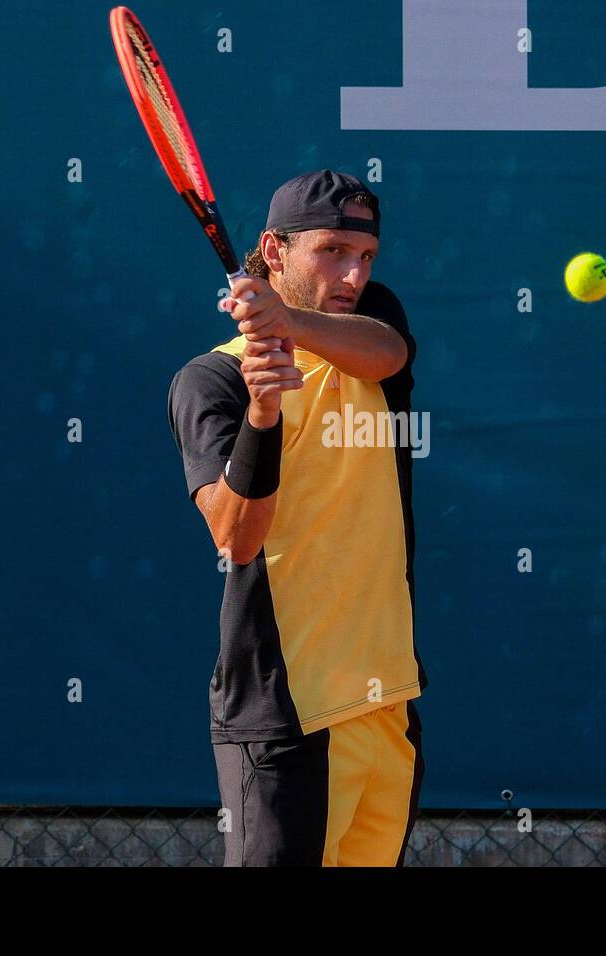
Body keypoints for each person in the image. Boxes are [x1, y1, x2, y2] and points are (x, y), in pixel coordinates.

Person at [167, 170, 428, 866]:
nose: (353, 272)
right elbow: (235, 534)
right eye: (333, 250)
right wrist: (262, 413)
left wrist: (289, 324)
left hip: (386, 701)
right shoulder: (211, 381)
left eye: (366, 256)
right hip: (285, 714)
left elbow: (388, 353)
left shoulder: (372, 322)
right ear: (273, 251)